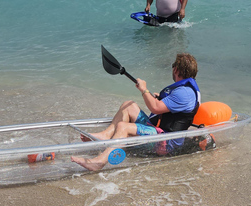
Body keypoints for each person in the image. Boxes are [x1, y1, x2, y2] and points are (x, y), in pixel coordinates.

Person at [71, 53, 200, 171]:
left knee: (123, 127)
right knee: (128, 105)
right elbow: (166, 106)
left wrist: (144, 90)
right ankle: (106, 135)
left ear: (176, 69)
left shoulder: (184, 93)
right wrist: (156, 97)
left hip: (166, 141)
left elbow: (155, 108)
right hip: (159, 131)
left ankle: (99, 162)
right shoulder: (184, 89)